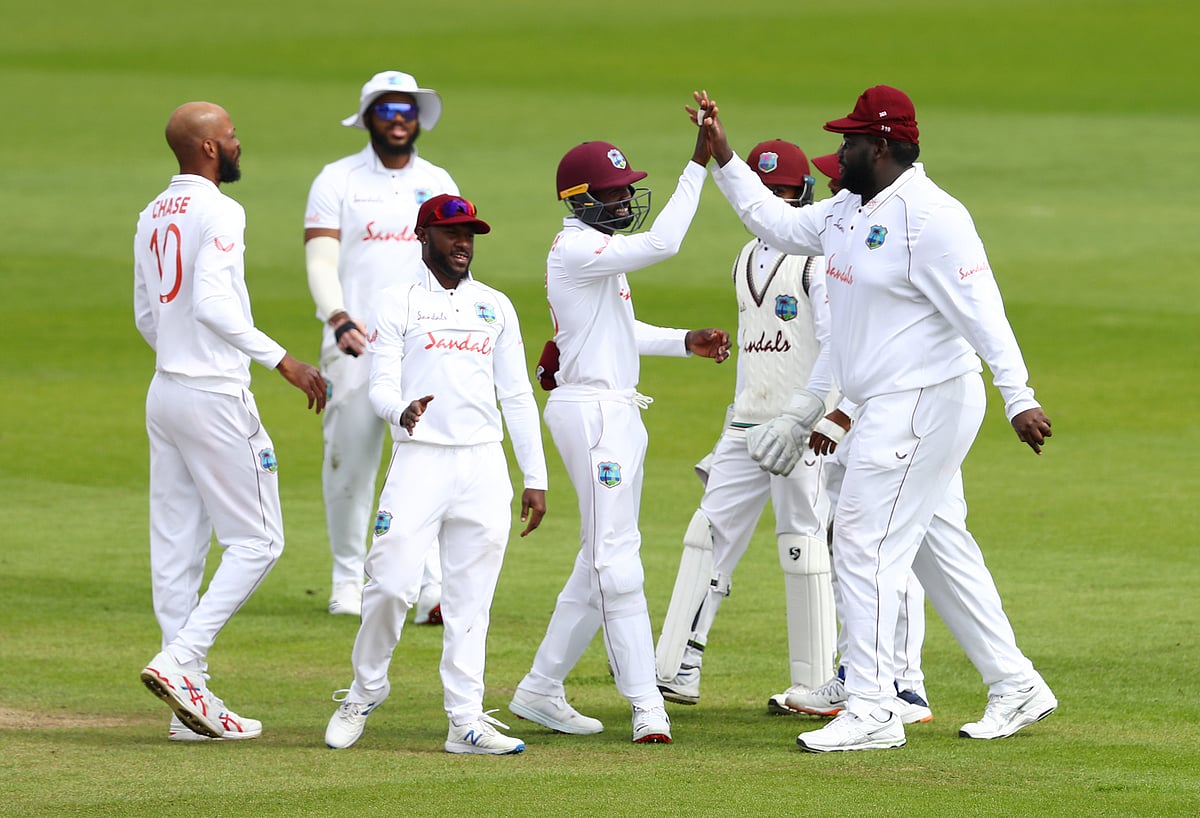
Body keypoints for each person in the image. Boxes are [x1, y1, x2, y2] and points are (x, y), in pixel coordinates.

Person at [697, 85, 1056, 752]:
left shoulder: (933, 218)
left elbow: (985, 310)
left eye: (850, 143)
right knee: (938, 549)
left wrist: (1020, 395)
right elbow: (773, 226)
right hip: (887, 404)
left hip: (924, 400)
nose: (839, 152)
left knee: (862, 543)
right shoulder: (846, 212)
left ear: (882, 147)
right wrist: (725, 158)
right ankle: (1016, 684)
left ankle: (873, 705)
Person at [507, 131, 730, 746]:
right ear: (578, 199)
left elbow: (621, 331)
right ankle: (644, 704)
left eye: (627, 188)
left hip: (618, 410)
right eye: (612, 192)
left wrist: (685, 340)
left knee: (599, 557)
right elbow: (667, 242)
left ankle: (540, 689)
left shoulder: (599, 250)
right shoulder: (576, 249)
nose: (626, 199)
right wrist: (697, 165)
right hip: (592, 413)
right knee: (617, 563)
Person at [324, 194, 547, 756]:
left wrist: (535, 475)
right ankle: (365, 689)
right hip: (420, 460)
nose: (463, 243)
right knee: (391, 583)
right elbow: (380, 383)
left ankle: (465, 720)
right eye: (451, 233)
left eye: (469, 233)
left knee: (471, 599)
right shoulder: (398, 301)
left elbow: (517, 395)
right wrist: (397, 412)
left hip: (484, 465)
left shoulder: (495, 305)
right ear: (423, 236)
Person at [134, 102, 327, 741]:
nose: (239, 142)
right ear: (211, 149)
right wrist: (284, 362)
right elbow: (214, 303)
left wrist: (180, 354)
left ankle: (185, 708)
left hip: (165, 392)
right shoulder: (221, 210)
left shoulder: (150, 215)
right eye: (232, 135)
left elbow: (146, 317)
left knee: (177, 547)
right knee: (259, 540)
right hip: (215, 396)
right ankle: (183, 663)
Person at [652, 139, 840, 712]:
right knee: (705, 532)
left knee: (802, 544)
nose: (776, 203)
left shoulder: (817, 262)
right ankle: (676, 665)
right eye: (766, 193)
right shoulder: (742, 258)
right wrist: (733, 422)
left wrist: (813, 417)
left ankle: (816, 684)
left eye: (785, 192)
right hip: (746, 423)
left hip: (803, 427)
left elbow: (837, 350)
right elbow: (762, 356)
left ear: (803, 194)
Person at [304, 70, 458, 618]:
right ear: (369, 117)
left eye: (407, 111)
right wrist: (339, 316)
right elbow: (321, 258)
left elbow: (453, 262)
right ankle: (349, 579)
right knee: (350, 458)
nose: (399, 121)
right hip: (355, 341)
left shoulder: (438, 180)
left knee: (424, 462)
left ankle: (430, 589)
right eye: (387, 111)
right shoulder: (337, 179)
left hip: (422, 343)